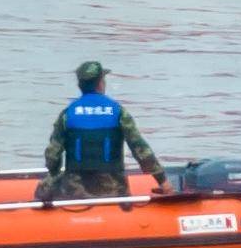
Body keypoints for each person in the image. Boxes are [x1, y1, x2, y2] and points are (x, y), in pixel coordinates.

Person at [47, 62, 159, 201]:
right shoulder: (118, 112)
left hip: (75, 192)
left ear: (79, 85)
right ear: (100, 84)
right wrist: (162, 181)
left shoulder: (67, 114)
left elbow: (52, 157)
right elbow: (140, 149)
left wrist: (53, 177)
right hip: (113, 192)